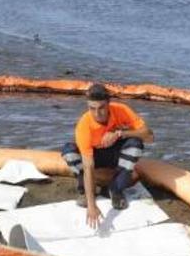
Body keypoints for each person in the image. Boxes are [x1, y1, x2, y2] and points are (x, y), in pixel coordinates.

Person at [61, 83, 154, 228]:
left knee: (136, 144)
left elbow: (149, 136)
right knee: (69, 152)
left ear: (109, 104)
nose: (97, 114)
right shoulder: (84, 125)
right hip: (94, 157)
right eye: (92, 108)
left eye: (101, 108)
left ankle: (116, 189)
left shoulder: (121, 110)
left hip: (114, 153)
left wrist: (120, 133)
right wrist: (92, 206)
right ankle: (86, 191)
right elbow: (88, 166)